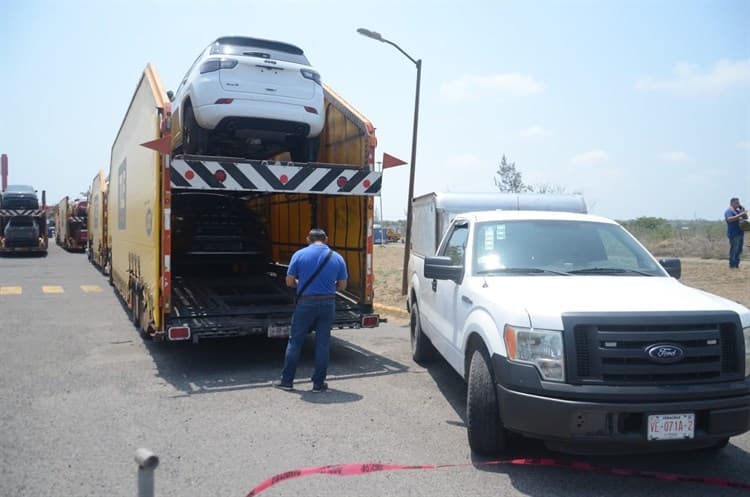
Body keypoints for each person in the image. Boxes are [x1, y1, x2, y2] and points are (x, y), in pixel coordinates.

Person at [275, 228, 347, 392]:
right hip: (328, 303)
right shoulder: (337, 258)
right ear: (326, 239)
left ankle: (287, 381)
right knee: (323, 343)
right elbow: (342, 285)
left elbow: (289, 282)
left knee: (295, 341)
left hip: (305, 303)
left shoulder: (299, 255)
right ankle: (318, 384)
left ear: (308, 239)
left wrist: (301, 284)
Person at [724, 197, 748, 269]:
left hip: (740, 233)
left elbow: (746, 217)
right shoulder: (729, 211)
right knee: (734, 249)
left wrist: (742, 210)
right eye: (737, 203)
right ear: (732, 203)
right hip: (733, 234)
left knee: (739, 249)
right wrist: (740, 215)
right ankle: (732, 265)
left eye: (738, 203)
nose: (738, 204)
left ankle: (736, 265)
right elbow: (730, 219)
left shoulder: (737, 211)